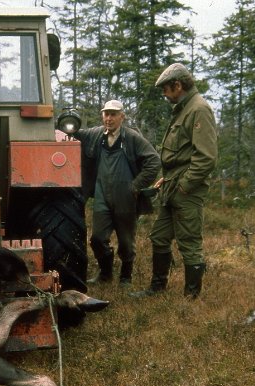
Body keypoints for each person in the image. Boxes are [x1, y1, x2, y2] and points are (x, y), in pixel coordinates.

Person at [131, 63, 218, 298]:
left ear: (177, 85)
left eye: (166, 89)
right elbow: (180, 155)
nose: (164, 95)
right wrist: (167, 180)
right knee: (159, 236)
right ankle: (157, 288)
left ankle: (191, 298)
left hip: (186, 190)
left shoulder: (198, 109)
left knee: (189, 243)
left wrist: (184, 186)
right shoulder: (184, 109)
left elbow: (206, 157)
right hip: (172, 184)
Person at [72, 100, 160, 286]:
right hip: (102, 195)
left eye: (113, 114)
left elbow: (154, 161)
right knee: (97, 239)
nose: (109, 118)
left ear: (122, 116)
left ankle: (126, 278)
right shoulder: (96, 134)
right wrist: (66, 121)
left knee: (126, 241)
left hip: (125, 197)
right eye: (106, 114)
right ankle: (105, 273)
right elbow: (74, 132)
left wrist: (136, 185)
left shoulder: (132, 137)